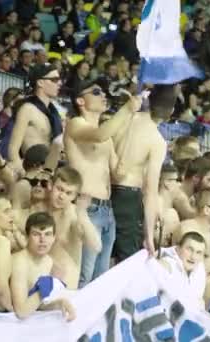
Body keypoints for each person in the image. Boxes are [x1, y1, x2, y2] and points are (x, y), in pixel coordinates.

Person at [65, 80, 137, 286]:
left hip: (107, 210)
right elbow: (99, 135)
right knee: (83, 277)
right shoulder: (75, 123)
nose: (103, 95)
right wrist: (126, 109)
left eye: (103, 92)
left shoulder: (106, 137)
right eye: (96, 92)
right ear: (80, 100)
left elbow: (119, 174)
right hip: (87, 208)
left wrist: (133, 132)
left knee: (100, 280)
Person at [111, 86, 170, 260]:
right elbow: (151, 192)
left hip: (104, 191)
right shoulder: (157, 140)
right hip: (128, 199)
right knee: (125, 265)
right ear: (171, 111)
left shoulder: (123, 119)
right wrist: (149, 235)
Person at [10, 212, 75, 320]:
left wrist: (59, 304)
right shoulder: (19, 262)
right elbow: (21, 311)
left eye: (47, 234)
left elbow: (35, 305)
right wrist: (42, 290)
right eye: (36, 234)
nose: (42, 240)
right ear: (27, 237)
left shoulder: (48, 261)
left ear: (54, 238)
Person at [46, 167, 101, 290]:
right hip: (43, 284)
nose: (61, 196)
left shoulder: (72, 215)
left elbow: (96, 246)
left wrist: (82, 213)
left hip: (65, 289)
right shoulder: (41, 209)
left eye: (68, 193)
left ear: (75, 196)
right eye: (59, 189)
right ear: (50, 185)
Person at [7, 64, 63, 170]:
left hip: (50, 170)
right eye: (54, 80)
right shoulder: (27, 109)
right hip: (32, 169)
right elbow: (13, 150)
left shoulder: (54, 113)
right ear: (40, 82)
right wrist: (23, 173)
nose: (60, 83)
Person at [159, 232, 208, 310]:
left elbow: (199, 301)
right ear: (178, 249)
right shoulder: (167, 265)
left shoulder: (200, 269)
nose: (193, 257)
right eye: (189, 249)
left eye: (198, 252)